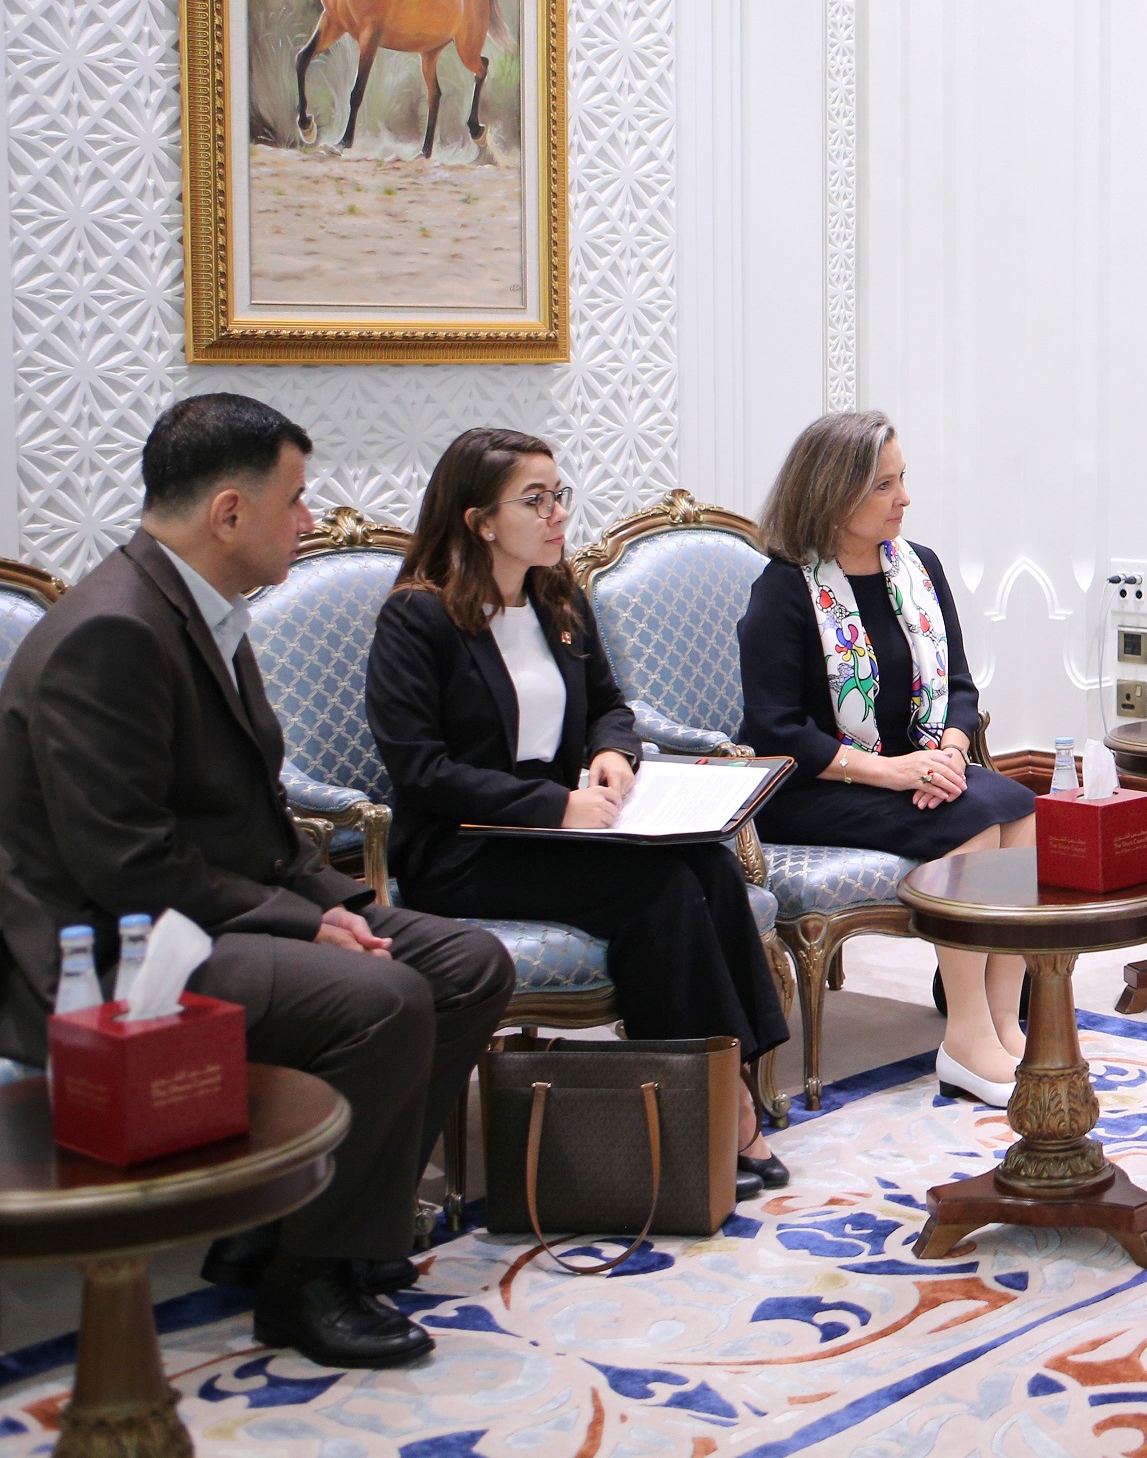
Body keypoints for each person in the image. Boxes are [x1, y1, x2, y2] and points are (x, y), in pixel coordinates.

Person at [0, 394, 512, 1368]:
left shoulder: (198, 610)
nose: (310, 522)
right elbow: (126, 863)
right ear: (229, 512)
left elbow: (258, 824)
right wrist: (302, 925)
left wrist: (337, 905)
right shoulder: (112, 633)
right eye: (296, 501)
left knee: (466, 962)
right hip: (110, 950)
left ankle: (293, 1220)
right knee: (384, 997)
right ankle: (310, 1280)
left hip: (203, 913)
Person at [368, 428, 792, 1198]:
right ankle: (709, 1114)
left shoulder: (556, 596)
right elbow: (422, 771)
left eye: (559, 494)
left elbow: (609, 706)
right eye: (535, 500)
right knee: (659, 891)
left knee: (707, 866)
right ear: (479, 521)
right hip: (466, 848)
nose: (558, 513)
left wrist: (613, 754)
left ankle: (728, 1087)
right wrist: (556, 804)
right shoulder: (417, 619)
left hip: (567, 825)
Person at [737, 411, 1035, 1106]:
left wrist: (950, 752)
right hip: (814, 786)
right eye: (883, 485)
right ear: (832, 493)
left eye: (902, 479)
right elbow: (775, 730)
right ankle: (965, 1037)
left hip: (916, 768)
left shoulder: (918, 568)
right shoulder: (785, 588)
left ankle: (1004, 1024)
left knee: (1018, 807)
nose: (904, 498)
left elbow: (960, 687)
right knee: (970, 823)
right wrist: (895, 772)